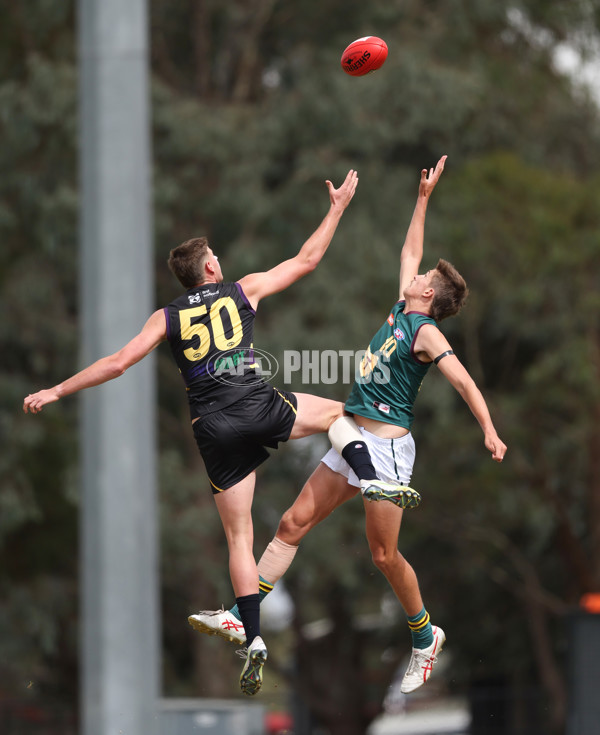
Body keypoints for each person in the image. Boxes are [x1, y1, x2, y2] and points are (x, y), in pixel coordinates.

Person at [23, 169, 420, 697]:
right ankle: (372, 479)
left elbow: (118, 363)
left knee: (239, 537)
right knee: (337, 414)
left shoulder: (164, 317)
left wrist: (56, 390)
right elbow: (306, 260)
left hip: (211, 430)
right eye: (215, 255)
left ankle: (252, 637)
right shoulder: (240, 291)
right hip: (255, 404)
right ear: (210, 265)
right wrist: (338, 207)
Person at [189, 155, 507, 695]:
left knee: (383, 555)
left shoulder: (425, 332)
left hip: (385, 449)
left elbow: (463, 382)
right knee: (292, 523)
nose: (420, 273)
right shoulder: (404, 305)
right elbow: (411, 250)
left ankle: (425, 636)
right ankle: (247, 615)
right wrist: (423, 198)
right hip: (351, 436)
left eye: (426, 277)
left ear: (428, 295)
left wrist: (489, 429)